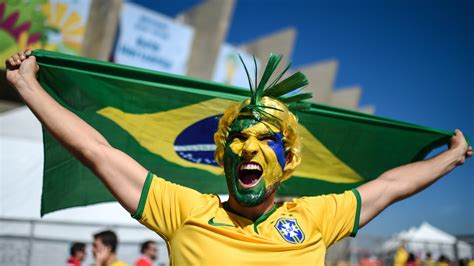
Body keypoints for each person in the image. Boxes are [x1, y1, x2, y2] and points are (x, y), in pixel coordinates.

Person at [5, 50, 472, 265]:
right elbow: (96, 150)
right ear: (223, 157)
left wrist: (451, 158)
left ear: (287, 159)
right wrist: (27, 86)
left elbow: (391, 185)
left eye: (265, 139)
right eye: (238, 140)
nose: (248, 148)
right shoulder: (185, 211)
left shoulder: (316, 216)